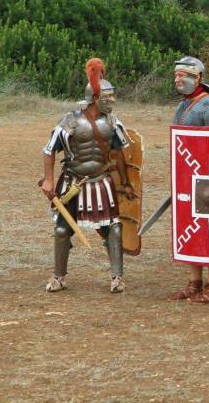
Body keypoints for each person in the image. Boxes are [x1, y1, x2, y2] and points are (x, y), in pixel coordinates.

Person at [40, 58, 134, 293]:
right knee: (62, 230)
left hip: (102, 182)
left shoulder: (113, 122)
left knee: (113, 229)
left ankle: (117, 277)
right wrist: (49, 180)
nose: (112, 101)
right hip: (74, 182)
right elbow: (49, 150)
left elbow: (120, 154)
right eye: (107, 97)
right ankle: (59, 276)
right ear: (95, 97)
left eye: (112, 96)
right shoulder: (70, 121)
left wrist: (126, 182)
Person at [167, 56, 209, 303]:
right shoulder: (184, 105)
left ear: (198, 78)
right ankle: (194, 282)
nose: (178, 80)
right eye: (176, 75)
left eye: (184, 75)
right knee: (191, 229)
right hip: (188, 175)